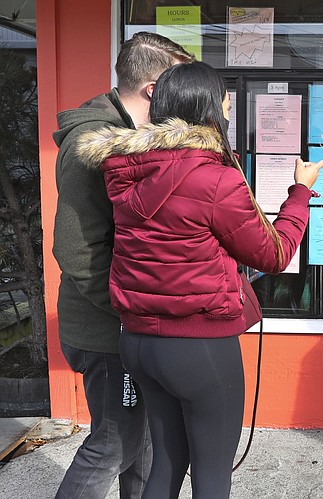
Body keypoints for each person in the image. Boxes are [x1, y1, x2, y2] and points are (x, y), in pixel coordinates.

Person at [75, 61, 323, 498]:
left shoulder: (123, 169)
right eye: (227, 100)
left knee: (165, 466)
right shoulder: (214, 177)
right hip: (198, 346)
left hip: (137, 341)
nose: (231, 109)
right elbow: (273, 254)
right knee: (212, 476)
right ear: (210, 106)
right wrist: (301, 193)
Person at [52, 32, 194, 499]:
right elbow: (75, 249)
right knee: (114, 444)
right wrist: (131, 307)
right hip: (107, 331)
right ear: (154, 90)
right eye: (177, 85)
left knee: (148, 441)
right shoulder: (90, 144)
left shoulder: (135, 138)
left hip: (131, 327)